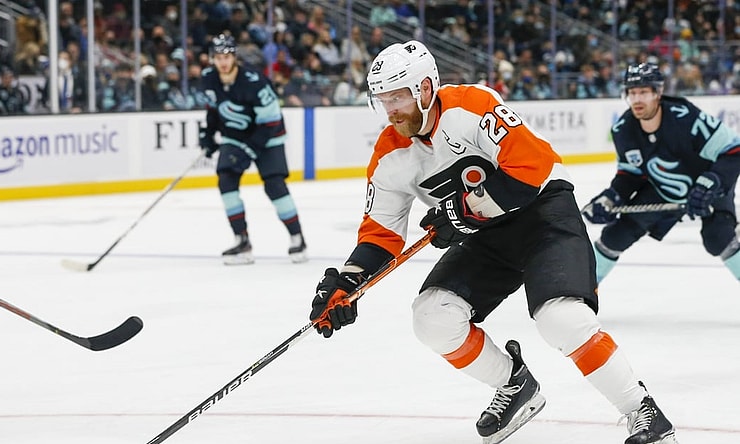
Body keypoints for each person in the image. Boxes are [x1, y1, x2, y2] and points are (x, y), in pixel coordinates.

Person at [308, 41, 678, 444]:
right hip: (484, 237)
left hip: (542, 215)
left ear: (426, 88)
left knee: (561, 319)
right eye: (383, 100)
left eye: (398, 97)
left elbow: (531, 167)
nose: (391, 109)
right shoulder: (389, 153)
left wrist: (463, 211)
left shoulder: (472, 104)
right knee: (432, 318)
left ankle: (643, 412)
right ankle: (515, 385)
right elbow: (381, 234)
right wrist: (347, 284)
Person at [582, 62, 740, 283]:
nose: (637, 99)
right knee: (616, 236)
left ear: (658, 92)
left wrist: (711, 182)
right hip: (663, 189)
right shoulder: (623, 130)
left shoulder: (685, 117)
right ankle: (582, 289)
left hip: (709, 185)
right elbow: (630, 176)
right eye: (632, 92)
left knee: (718, 239)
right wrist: (609, 199)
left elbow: (733, 151)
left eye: (644, 92)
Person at [198, 34, 307, 265]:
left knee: (274, 185)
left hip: (269, 136)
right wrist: (207, 135)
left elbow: (271, 120)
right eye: (218, 57)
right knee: (226, 180)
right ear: (212, 59)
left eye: (227, 56)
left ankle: (297, 237)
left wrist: (250, 149)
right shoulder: (208, 78)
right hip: (236, 136)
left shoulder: (254, 81)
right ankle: (242, 241)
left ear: (234, 57)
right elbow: (214, 109)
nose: (223, 62)